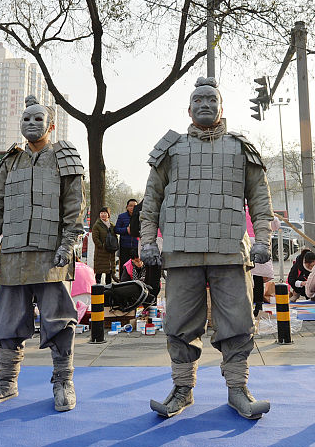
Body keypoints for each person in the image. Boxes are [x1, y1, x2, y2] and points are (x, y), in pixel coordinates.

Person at [141, 77, 275, 420]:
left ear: (221, 107)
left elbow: (260, 201)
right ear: (188, 108)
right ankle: (182, 390)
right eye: (198, 100)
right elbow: (151, 201)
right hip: (181, 252)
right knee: (180, 324)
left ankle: (238, 389)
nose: (204, 105)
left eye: (210, 100)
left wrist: (262, 239)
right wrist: (146, 240)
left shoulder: (240, 147)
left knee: (237, 323)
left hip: (230, 250)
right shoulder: (170, 150)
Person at [0, 95, 85, 412]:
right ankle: (6, 381)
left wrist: (68, 244)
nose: (31, 124)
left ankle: (63, 380)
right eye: (26, 119)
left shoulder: (65, 158)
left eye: (38, 119)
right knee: (7, 321)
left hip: (51, 256)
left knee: (59, 321)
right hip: (13, 255)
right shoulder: (10, 162)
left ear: (51, 125)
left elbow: (75, 208)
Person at [91, 207, 118, 285]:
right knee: (99, 273)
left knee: (109, 273)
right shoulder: (97, 225)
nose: (103, 215)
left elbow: (115, 237)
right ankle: (97, 290)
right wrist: (102, 246)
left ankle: (108, 291)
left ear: (108, 215)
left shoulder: (112, 226)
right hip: (100, 253)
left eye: (105, 213)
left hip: (110, 253)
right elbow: (95, 238)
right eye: (101, 213)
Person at [114, 199, 138, 274]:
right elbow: (116, 229)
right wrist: (126, 230)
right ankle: (123, 282)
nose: (132, 208)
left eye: (134, 206)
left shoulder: (139, 216)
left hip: (136, 245)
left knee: (136, 265)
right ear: (127, 207)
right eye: (130, 206)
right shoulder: (122, 216)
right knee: (124, 265)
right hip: (124, 246)